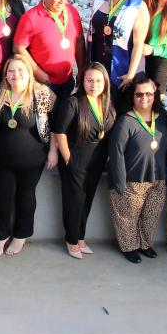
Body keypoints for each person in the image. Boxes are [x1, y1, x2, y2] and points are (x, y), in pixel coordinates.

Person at [0, 54, 58, 258]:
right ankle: (0, 237)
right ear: (6, 74)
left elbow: (55, 125)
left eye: (21, 70)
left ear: (29, 73)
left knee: (26, 197)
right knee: (2, 198)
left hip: (33, 159)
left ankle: (20, 236)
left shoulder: (41, 93)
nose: (15, 74)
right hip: (3, 159)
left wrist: (53, 151)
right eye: (11, 70)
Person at [53, 62, 115, 259]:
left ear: (105, 82)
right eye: (89, 80)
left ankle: (80, 236)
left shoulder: (106, 103)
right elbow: (59, 132)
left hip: (97, 161)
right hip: (76, 158)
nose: (94, 85)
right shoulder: (73, 102)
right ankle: (71, 240)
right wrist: (69, 160)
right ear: (83, 81)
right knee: (74, 200)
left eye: (98, 81)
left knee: (86, 200)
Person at [108, 74, 167, 263]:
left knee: (150, 216)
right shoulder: (125, 121)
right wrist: (119, 183)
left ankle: (145, 244)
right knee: (128, 218)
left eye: (149, 94)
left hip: (157, 178)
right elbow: (116, 152)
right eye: (139, 94)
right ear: (132, 97)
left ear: (155, 95)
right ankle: (129, 247)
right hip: (131, 180)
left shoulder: (163, 117)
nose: (145, 98)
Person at [87, 0, 150, 101]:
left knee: (114, 105)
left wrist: (131, 74)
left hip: (119, 65)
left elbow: (139, 45)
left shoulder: (138, 6)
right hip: (96, 59)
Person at [14, 0, 85, 100]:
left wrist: (81, 68)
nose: (62, 1)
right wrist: (37, 72)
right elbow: (18, 47)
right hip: (43, 83)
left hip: (67, 80)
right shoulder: (31, 18)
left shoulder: (72, 12)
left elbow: (79, 40)